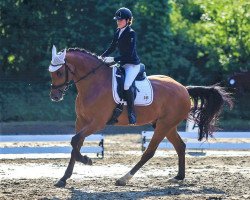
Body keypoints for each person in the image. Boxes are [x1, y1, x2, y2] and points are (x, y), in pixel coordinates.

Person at [101, 7, 141, 125]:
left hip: (132, 65)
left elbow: (128, 54)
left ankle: (131, 113)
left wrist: (113, 59)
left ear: (128, 20)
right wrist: (101, 56)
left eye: (121, 20)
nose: (118, 22)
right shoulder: (118, 32)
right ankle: (114, 111)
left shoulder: (131, 33)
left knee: (126, 85)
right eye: (117, 20)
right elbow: (112, 47)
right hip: (123, 64)